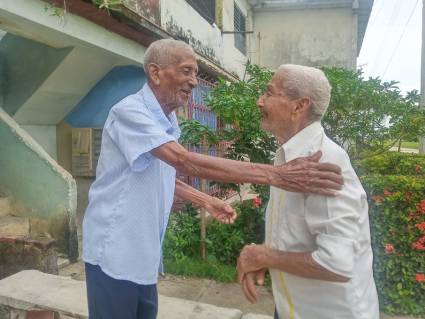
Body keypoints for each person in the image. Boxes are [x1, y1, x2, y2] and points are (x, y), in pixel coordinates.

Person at [82, 40, 343, 319]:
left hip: (142, 254)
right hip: (113, 250)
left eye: (195, 73)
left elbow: (160, 174)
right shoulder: (129, 112)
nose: (194, 81)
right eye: (186, 71)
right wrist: (277, 175)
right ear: (156, 73)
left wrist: (204, 199)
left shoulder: (168, 120)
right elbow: (182, 160)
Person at [236, 64, 379, 319]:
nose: (260, 101)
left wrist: (264, 255)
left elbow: (335, 262)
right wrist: (266, 258)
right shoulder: (289, 156)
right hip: (293, 309)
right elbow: (292, 233)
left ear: (299, 106)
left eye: (269, 93)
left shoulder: (323, 161)